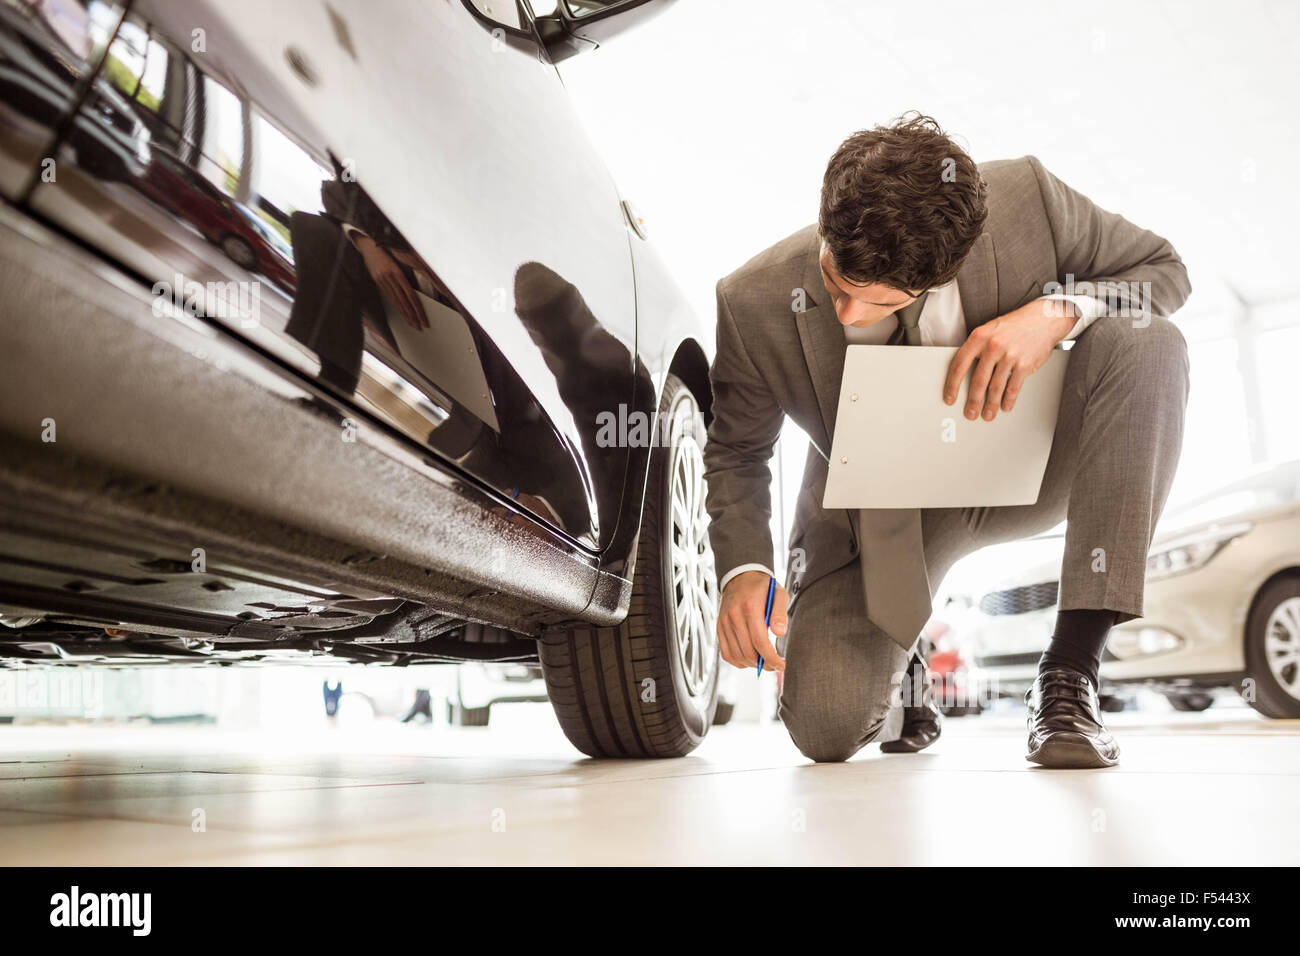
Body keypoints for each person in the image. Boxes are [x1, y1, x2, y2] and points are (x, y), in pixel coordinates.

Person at [703, 113, 1190, 768]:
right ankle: (906, 664)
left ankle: (1070, 673)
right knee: (826, 726)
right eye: (834, 282)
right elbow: (738, 449)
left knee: (1147, 340)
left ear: (941, 271)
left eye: (876, 303)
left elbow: (1163, 271)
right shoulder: (749, 301)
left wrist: (1057, 311)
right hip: (876, 514)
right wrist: (744, 569)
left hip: (1030, 465)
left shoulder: (1032, 202)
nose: (847, 314)